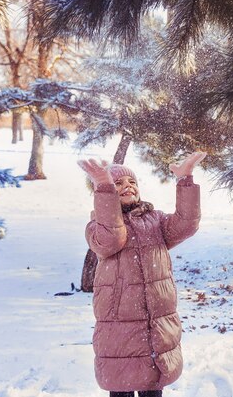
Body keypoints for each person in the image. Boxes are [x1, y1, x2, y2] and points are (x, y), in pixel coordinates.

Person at [78, 152, 206, 397]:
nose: (128, 186)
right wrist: (104, 187)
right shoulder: (97, 228)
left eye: (132, 182)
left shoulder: (155, 221)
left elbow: (187, 224)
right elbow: (113, 238)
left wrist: (185, 181)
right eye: (118, 183)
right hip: (120, 328)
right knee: (121, 383)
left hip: (155, 325)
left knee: (152, 385)